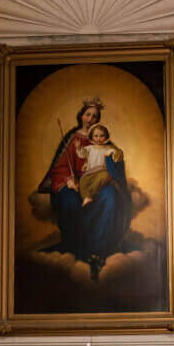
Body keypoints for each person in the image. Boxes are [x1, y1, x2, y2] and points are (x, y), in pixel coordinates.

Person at [36, 97, 132, 280]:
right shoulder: (74, 140)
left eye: (95, 116)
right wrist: (69, 180)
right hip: (76, 183)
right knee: (70, 200)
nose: (91, 119)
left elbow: (115, 165)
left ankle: (97, 249)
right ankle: (77, 245)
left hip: (98, 183)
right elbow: (62, 167)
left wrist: (113, 164)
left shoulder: (102, 141)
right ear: (81, 116)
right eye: (88, 114)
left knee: (110, 196)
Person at [76, 123, 123, 207]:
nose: (99, 139)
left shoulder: (108, 148)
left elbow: (118, 153)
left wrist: (113, 152)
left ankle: (90, 195)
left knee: (102, 178)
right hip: (91, 172)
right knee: (82, 182)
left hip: (103, 171)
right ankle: (86, 198)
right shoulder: (90, 148)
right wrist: (78, 148)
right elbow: (81, 154)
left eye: (101, 136)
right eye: (96, 136)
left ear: (106, 137)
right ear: (92, 137)